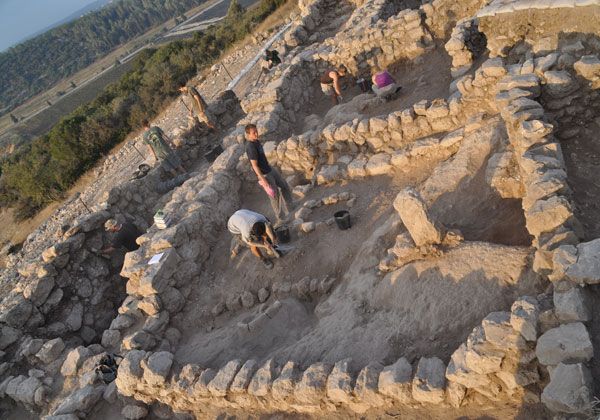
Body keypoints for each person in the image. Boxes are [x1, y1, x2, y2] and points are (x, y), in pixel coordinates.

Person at [245, 124, 294, 224]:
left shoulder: (256, 141)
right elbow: (254, 165)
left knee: (284, 185)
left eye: (256, 131)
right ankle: (281, 218)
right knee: (275, 197)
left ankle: (290, 206)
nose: (256, 133)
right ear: (248, 134)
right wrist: (262, 178)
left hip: (269, 169)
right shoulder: (250, 147)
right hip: (265, 175)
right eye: (253, 132)